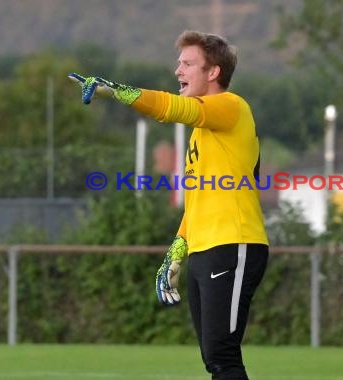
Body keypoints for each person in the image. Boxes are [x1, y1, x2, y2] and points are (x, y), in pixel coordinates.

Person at [69, 30, 269, 380]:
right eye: (179, 62)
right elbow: (197, 203)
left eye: (188, 63)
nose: (178, 70)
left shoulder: (231, 107)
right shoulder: (202, 131)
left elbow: (170, 108)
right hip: (205, 249)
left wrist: (116, 91)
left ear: (213, 72)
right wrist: (176, 253)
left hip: (234, 244)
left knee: (223, 356)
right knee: (214, 360)